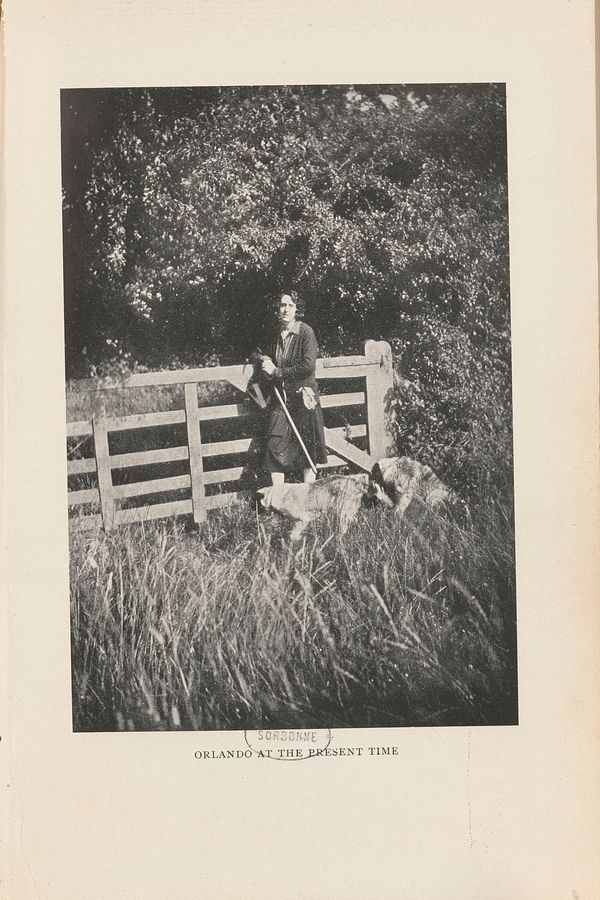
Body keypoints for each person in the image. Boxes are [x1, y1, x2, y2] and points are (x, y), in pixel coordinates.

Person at [252, 291, 328, 486]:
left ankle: (308, 500)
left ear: (297, 309)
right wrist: (264, 359)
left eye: (290, 305)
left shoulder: (305, 333)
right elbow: (257, 352)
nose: (285, 309)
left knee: (307, 449)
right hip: (282, 400)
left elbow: (308, 365)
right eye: (282, 305)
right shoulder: (275, 334)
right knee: (273, 445)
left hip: (304, 398)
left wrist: (277, 372)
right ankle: (279, 500)